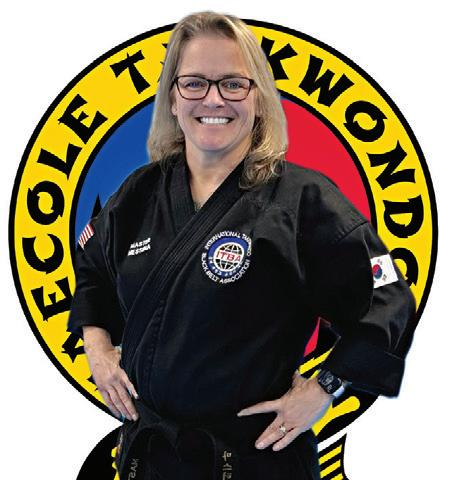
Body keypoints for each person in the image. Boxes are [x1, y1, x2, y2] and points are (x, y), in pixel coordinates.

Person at [68, 11, 415, 480]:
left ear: (259, 98)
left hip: (255, 458)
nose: (213, 99)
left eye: (233, 84)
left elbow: (387, 299)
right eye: (194, 83)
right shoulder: (139, 192)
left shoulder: (303, 200)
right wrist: (97, 346)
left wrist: (325, 387)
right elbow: (93, 263)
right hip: (154, 458)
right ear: (173, 98)